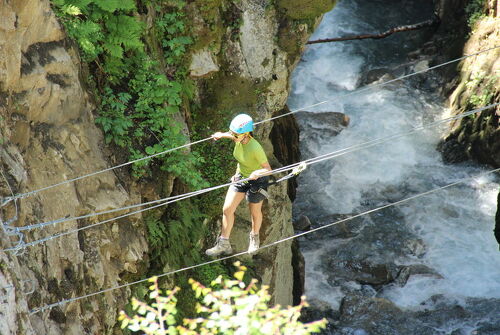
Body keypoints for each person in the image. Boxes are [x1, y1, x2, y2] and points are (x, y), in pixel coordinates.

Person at [206, 114, 272, 256]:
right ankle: (223, 243)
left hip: (257, 180)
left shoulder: (255, 148)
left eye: (236, 134)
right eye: (233, 134)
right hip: (241, 177)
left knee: (254, 212)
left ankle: (254, 238)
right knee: (227, 209)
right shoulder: (239, 139)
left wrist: (257, 173)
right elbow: (232, 136)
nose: (233, 136)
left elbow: (268, 169)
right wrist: (221, 135)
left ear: (246, 134)